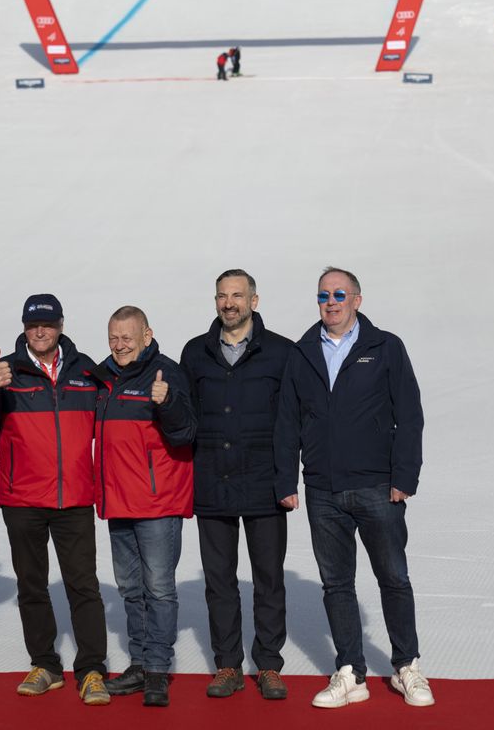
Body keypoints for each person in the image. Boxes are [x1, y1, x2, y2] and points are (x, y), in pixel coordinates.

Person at [275, 267, 433, 710]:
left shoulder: (385, 347)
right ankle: (351, 672)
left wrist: (404, 477)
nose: (331, 301)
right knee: (336, 583)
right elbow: (287, 421)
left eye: (340, 294)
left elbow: (410, 415)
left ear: (357, 300)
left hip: (378, 487)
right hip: (324, 489)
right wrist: (286, 480)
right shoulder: (302, 352)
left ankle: (407, 666)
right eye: (323, 295)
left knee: (394, 579)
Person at [0, 294, 111, 706]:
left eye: (47, 324)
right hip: (22, 497)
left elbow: (112, 421)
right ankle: (46, 664)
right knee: (32, 585)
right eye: (33, 325)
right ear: (25, 328)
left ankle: (92, 670)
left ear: (61, 325)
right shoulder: (5, 371)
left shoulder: (87, 371)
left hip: (75, 497)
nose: (40, 331)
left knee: (83, 586)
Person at [180, 269, 295, 701]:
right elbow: (184, 418)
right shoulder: (195, 353)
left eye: (237, 295)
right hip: (212, 484)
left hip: (266, 485)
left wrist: (288, 479)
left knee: (268, 579)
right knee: (220, 581)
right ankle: (227, 663)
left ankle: (268, 664)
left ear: (254, 300)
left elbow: (292, 422)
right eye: (222, 296)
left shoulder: (282, 352)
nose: (229, 303)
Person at [92, 306, 196, 708]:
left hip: (158, 502)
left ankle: (156, 669)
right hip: (118, 501)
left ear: (147, 335)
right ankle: (138, 662)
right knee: (130, 589)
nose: (119, 346)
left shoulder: (166, 373)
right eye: (113, 338)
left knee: (160, 589)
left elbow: (187, 432)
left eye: (127, 338)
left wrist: (166, 401)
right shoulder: (102, 377)